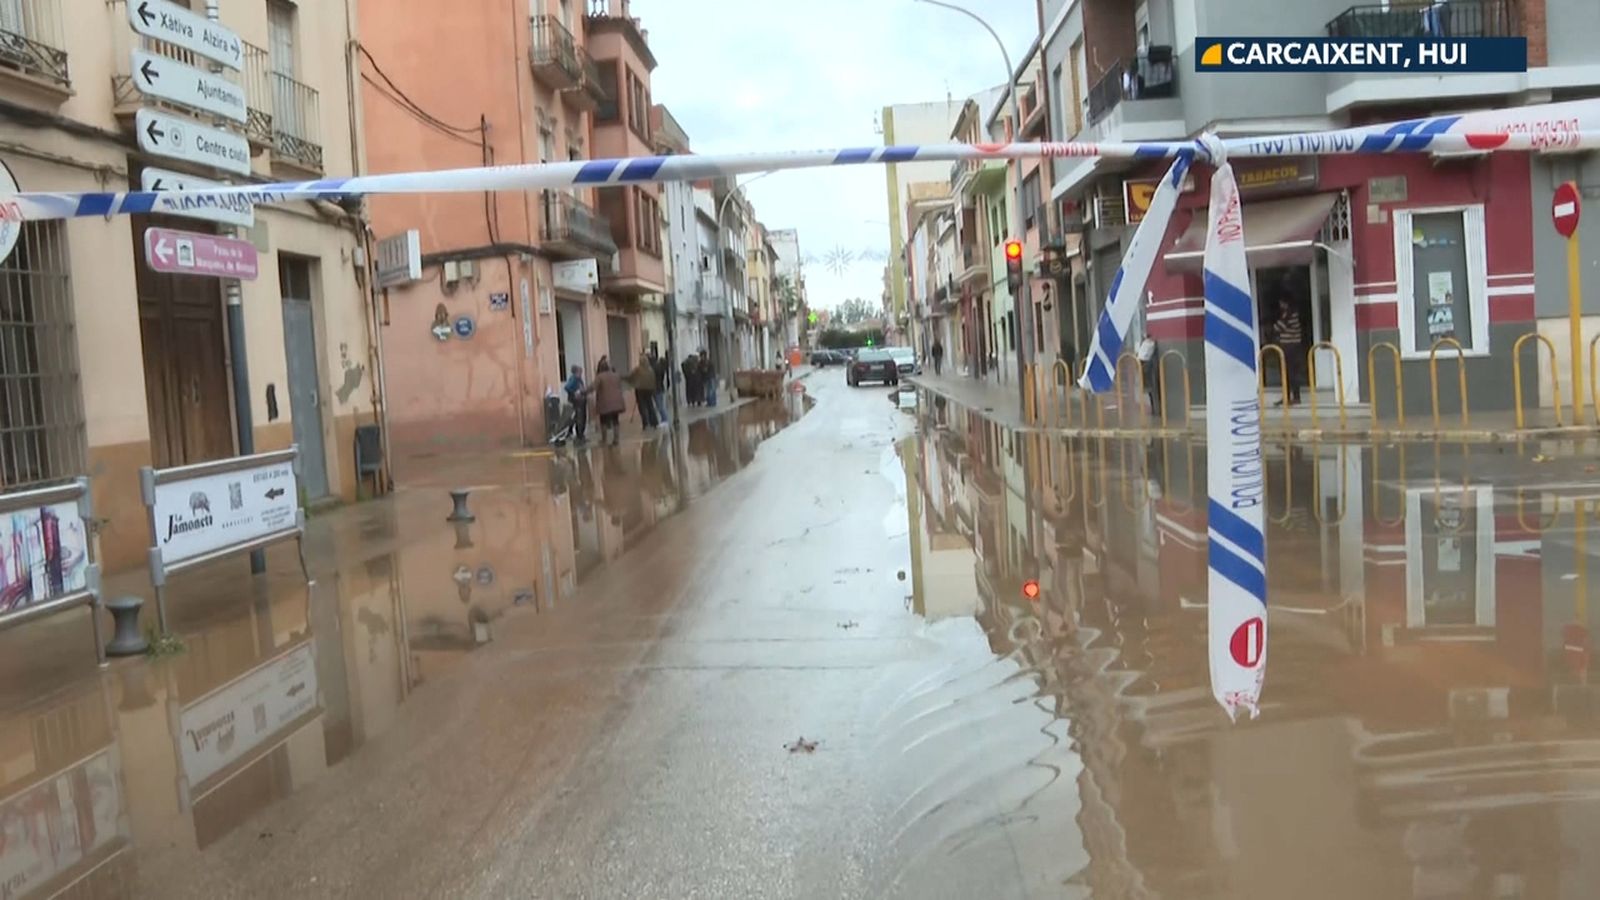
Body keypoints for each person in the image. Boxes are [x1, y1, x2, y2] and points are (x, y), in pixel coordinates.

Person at [584, 359, 626, 447]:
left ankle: (604, 439)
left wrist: (583, 392)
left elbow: (593, 387)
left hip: (605, 403)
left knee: (603, 421)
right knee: (615, 420)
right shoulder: (616, 375)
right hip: (617, 401)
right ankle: (616, 439)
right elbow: (620, 386)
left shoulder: (600, 377)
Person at [1274, 297, 1305, 406]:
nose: (1280, 305)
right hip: (1291, 346)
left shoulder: (1289, 314)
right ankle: (1288, 397)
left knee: (1290, 373)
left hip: (1290, 347)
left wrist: (1273, 327)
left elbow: (1278, 327)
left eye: (1281, 303)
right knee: (1287, 373)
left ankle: (1295, 397)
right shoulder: (1291, 313)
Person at [629, 352, 660, 429]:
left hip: (640, 389)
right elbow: (653, 379)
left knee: (642, 407)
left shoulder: (637, 369)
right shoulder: (650, 370)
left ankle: (645, 423)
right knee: (650, 405)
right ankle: (654, 422)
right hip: (649, 389)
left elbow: (631, 377)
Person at [562, 365, 588, 444]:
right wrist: (574, 393)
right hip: (577, 402)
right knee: (579, 418)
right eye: (580, 372)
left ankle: (578, 434)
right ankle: (579, 435)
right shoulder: (574, 379)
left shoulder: (578, 379)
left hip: (580, 401)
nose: (581, 373)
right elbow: (567, 387)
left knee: (579, 417)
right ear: (576, 372)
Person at [651, 348, 671, 425]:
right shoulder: (662, 369)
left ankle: (665, 419)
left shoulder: (656, 369)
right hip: (660, 388)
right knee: (661, 405)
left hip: (657, 389)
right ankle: (664, 419)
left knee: (660, 405)